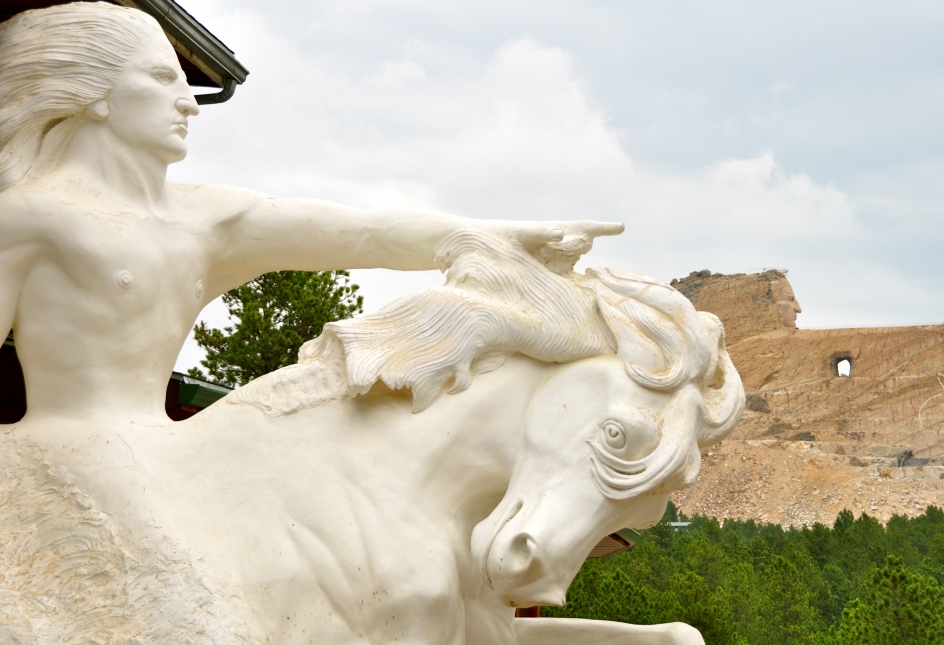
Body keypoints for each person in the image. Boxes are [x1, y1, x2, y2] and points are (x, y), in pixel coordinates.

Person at [0, 2, 621, 426]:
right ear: (96, 97)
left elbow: (367, 232)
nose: (189, 101)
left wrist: (500, 238)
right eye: (162, 79)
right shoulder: (29, 218)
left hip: (163, 450)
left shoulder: (205, 219)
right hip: (69, 461)